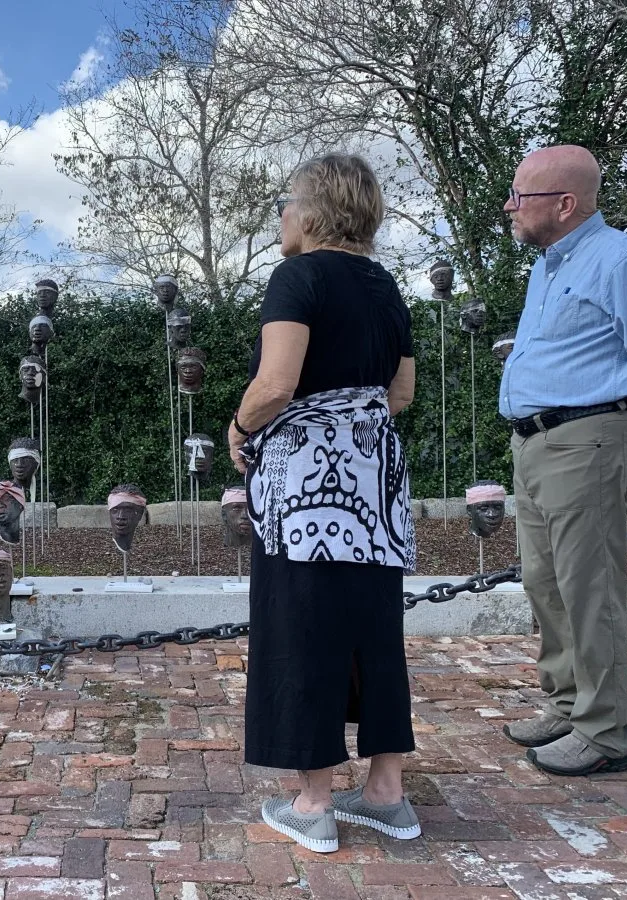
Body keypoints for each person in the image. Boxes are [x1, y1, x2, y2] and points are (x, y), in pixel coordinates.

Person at [228, 153, 418, 853]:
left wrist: (240, 427)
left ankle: (313, 803)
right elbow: (400, 394)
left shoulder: (298, 275)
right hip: (374, 483)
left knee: (300, 625)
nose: (281, 215)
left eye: (285, 202)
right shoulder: (385, 287)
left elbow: (277, 384)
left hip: (305, 489)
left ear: (310, 213)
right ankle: (387, 794)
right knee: (374, 630)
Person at [498, 145, 627, 775]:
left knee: (589, 587)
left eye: (521, 197)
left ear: (564, 204)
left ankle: (605, 731)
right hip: (537, 441)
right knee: (547, 582)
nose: (510, 208)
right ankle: (568, 705)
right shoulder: (549, 266)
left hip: (587, 439)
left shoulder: (622, 260)